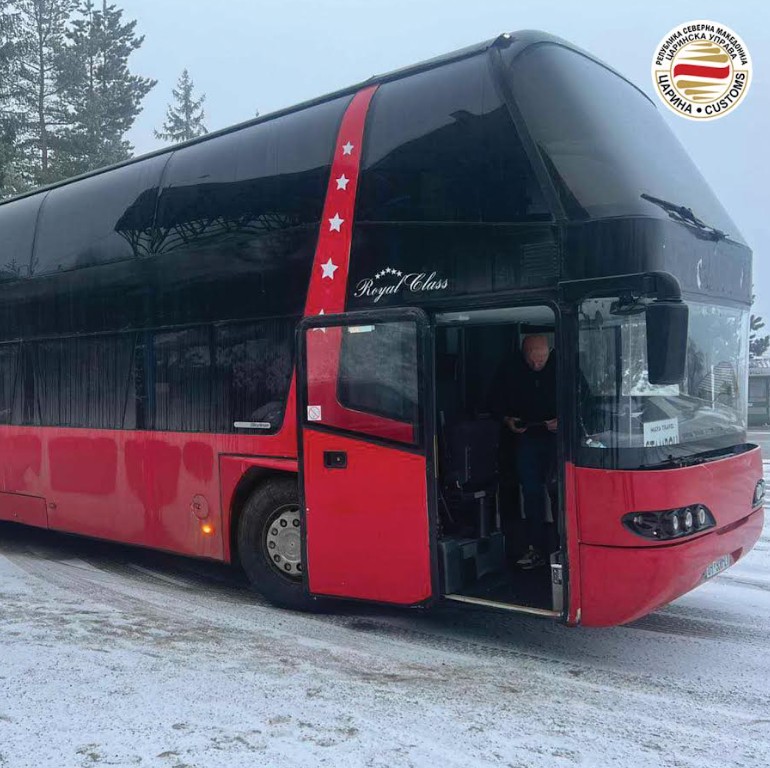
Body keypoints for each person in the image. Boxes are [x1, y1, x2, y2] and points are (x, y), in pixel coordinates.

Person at [492, 335, 557, 569]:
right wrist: (507, 419)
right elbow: (494, 402)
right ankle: (536, 548)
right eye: (532, 361)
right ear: (524, 354)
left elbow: (582, 400)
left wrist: (564, 420)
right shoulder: (510, 369)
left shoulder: (563, 365)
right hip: (526, 437)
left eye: (542, 359)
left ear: (550, 352)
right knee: (531, 494)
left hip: (556, 439)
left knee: (558, 492)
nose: (537, 365)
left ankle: (563, 549)